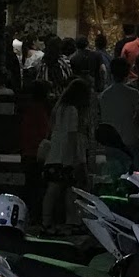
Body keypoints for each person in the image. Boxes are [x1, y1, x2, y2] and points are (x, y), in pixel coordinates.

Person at [43, 77, 94, 227]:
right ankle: (71, 221)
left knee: (52, 191)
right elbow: (72, 136)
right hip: (66, 157)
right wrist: (75, 159)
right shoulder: (72, 111)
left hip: (54, 155)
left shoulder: (59, 109)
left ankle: (46, 221)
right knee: (70, 191)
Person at [96, 56, 139, 165]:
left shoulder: (103, 96)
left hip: (110, 142)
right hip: (130, 139)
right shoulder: (134, 94)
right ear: (127, 72)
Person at [19, 80, 53, 223]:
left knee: (30, 186)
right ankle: (35, 216)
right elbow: (43, 132)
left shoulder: (28, 109)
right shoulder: (40, 111)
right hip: (36, 154)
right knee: (37, 187)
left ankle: (29, 215)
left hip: (27, 151)